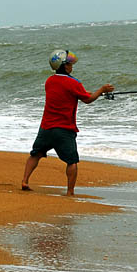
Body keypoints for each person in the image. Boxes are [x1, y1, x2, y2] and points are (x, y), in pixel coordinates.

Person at [21, 49, 114, 196]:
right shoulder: (74, 83)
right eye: (69, 64)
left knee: (35, 154)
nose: (72, 66)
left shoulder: (49, 81)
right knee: (72, 161)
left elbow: (76, 92)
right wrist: (102, 89)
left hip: (46, 127)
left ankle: (25, 181)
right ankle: (70, 192)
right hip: (64, 129)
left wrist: (96, 92)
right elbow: (87, 99)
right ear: (63, 66)